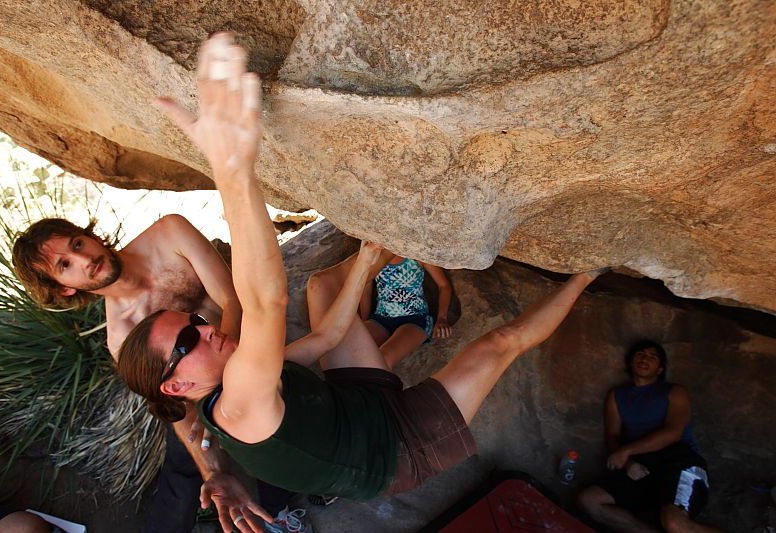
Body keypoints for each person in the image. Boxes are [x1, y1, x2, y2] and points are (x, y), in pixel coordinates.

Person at [115, 32, 605, 533]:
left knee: (323, 291)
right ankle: (591, 269)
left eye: (195, 321)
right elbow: (264, 299)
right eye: (187, 340)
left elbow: (326, 338)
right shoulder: (239, 401)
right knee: (500, 344)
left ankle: (372, 264)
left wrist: (366, 261)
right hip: (396, 450)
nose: (206, 328)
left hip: (356, 405)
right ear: (176, 385)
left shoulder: (243, 368)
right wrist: (233, 168)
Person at [11, 216, 280, 528]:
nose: (85, 259)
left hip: (250, 347)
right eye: (66, 265)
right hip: (205, 388)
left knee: (252, 419)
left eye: (77, 244)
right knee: (186, 444)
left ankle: (280, 506)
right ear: (65, 289)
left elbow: (233, 301)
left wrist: (230, 386)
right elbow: (175, 405)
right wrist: (212, 469)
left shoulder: (169, 235)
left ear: (90, 236)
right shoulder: (123, 337)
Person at [578, 341, 720, 533]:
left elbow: (673, 432)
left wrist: (626, 451)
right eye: (640, 354)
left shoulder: (674, 392)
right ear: (630, 362)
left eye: (653, 357)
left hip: (679, 461)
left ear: (660, 369)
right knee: (590, 500)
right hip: (641, 465)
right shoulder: (617, 395)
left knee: (674, 523)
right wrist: (628, 463)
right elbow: (612, 435)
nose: (645, 359)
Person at [360, 255, 452, 369]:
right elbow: (366, 288)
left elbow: (444, 285)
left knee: (384, 358)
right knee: (354, 353)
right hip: (381, 319)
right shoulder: (375, 256)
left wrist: (442, 318)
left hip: (416, 320)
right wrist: (364, 323)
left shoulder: (417, 254)